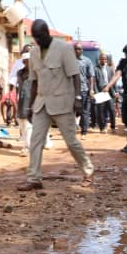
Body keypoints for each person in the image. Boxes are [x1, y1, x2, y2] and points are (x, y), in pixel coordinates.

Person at [18, 20, 94, 191]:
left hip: (62, 103)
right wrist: (30, 106)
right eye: (35, 37)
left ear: (47, 32)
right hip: (41, 103)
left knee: (71, 141)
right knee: (35, 141)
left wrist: (78, 98)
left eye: (40, 36)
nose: (37, 40)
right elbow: (34, 82)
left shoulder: (65, 48)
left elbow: (74, 75)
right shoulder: (34, 53)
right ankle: (34, 178)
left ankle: (88, 171)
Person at [74, 41, 96, 135]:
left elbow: (91, 76)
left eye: (79, 49)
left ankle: (84, 131)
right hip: (72, 90)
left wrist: (91, 89)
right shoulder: (69, 61)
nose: (77, 51)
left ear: (82, 50)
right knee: (72, 111)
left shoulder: (87, 61)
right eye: (75, 49)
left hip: (84, 89)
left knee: (85, 111)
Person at [93, 52, 115, 133]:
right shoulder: (95, 69)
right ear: (99, 59)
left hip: (109, 90)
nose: (103, 60)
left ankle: (113, 126)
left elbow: (113, 81)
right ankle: (102, 127)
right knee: (101, 110)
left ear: (107, 60)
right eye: (102, 59)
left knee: (112, 109)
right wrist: (96, 92)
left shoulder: (110, 69)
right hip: (100, 91)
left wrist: (115, 91)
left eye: (105, 59)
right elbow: (94, 82)